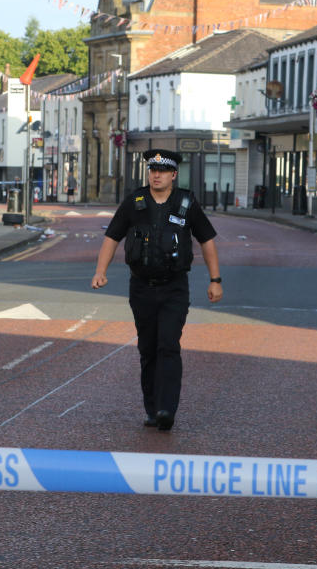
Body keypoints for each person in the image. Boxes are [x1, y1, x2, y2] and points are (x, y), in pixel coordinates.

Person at [91, 149, 222, 431]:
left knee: (168, 346)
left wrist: (216, 279)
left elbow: (207, 240)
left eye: (162, 171)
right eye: (152, 170)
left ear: (173, 174)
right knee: (148, 349)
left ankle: (166, 409)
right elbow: (112, 237)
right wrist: (100, 272)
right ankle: (152, 408)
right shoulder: (134, 202)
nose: (156, 175)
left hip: (174, 287)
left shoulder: (186, 203)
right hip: (141, 288)